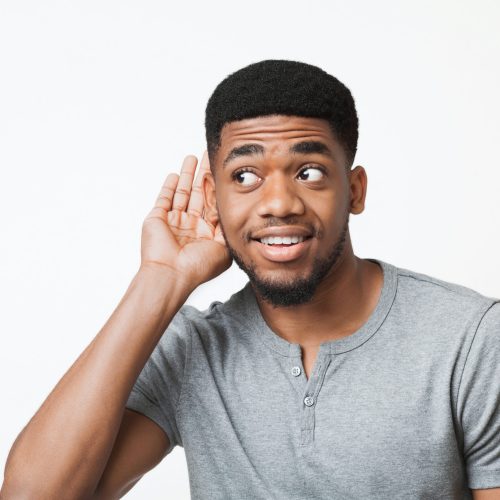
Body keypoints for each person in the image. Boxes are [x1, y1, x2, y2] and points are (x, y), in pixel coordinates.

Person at [1, 60, 499, 500]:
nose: (279, 203)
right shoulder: (193, 348)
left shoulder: (470, 339)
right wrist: (160, 280)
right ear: (213, 199)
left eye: (308, 172)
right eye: (244, 176)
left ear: (355, 189)